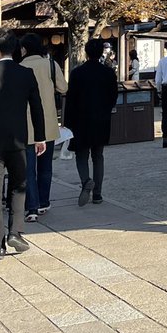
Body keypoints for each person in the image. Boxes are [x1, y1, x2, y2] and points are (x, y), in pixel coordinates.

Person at [0, 28, 46, 260]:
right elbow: (37, 107)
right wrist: (40, 137)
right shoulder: (25, 74)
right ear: (15, 49)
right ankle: (15, 231)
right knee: (18, 185)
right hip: (18, 140)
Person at [65, 38, 120, 207]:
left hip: (81, 120)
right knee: (98, 156)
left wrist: (67, 123)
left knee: (81, 155)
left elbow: (71, 99)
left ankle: (86, 181)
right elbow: (113, 96)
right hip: (102, 119)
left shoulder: (77, 73)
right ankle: (98, 194)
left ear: (87, 53)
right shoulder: (109, 73)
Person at [19, 33, 67, 222]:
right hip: (47, 123)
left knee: (28, 168)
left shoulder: (19, 67)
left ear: (24, 49)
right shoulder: (50, 65)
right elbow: (63, 88)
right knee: (46, 166)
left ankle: (32, 206)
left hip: (25, 125)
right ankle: (44, 201)